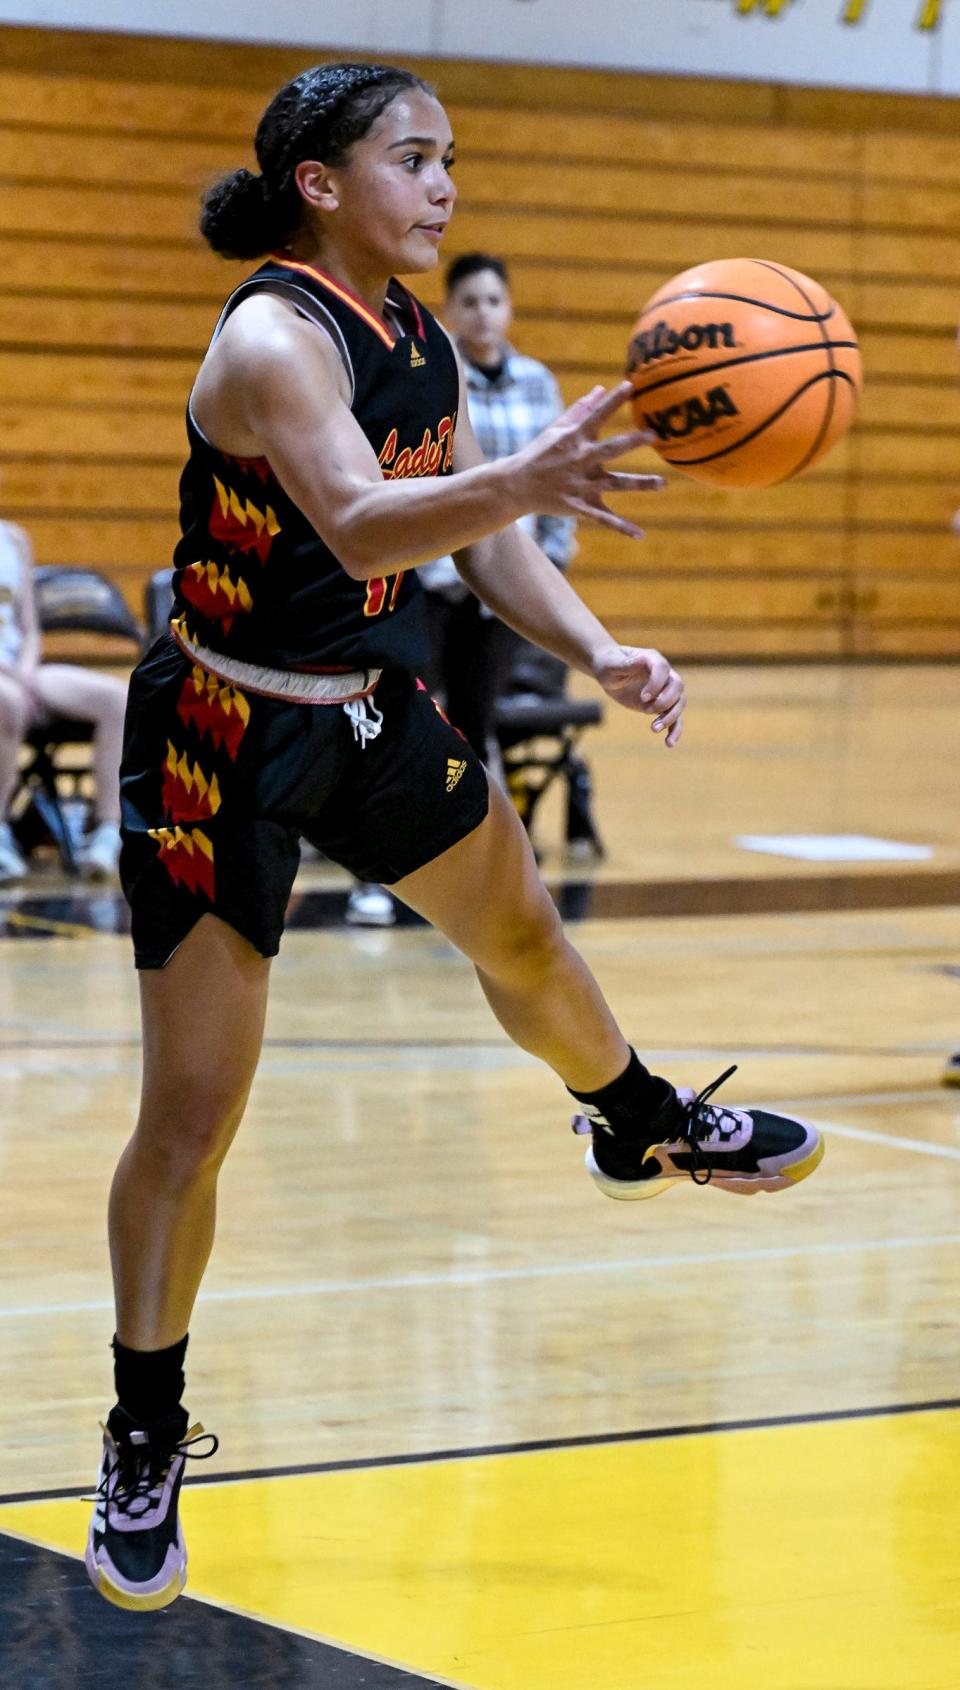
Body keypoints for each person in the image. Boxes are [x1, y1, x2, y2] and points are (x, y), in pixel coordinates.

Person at [85, 62, 824, 1614]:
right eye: (413, 161)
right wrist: (527, 468)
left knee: (525, 932)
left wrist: (595, 643)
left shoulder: (415, 333)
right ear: (321, 183)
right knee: (194, 1115)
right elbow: (361, 521)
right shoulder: (273, 339)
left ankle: (635, 1116)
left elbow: (474, 531)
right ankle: (144, 1424)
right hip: (223, 731)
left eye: (449, 162)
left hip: (362, 701)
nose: (443, 188)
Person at [419, 251, 576, 763]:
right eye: (470, 301)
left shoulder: (538, 382)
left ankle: (471, 827)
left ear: (508, 308)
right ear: (450, 310)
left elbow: (558, 472)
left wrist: (551, 558)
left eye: (494, 300)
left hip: (507, 577)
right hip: (436, 579)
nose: (483, 312)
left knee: (475, 716)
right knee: (412, 710)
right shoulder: (434, 376)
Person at [0, 520, 126, 882]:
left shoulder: (14, 538)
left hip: (19, 669)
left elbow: (29, 628)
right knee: (7, 703)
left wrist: (23, 670)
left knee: (115, 699)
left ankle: (105, 833)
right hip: (5, 682)